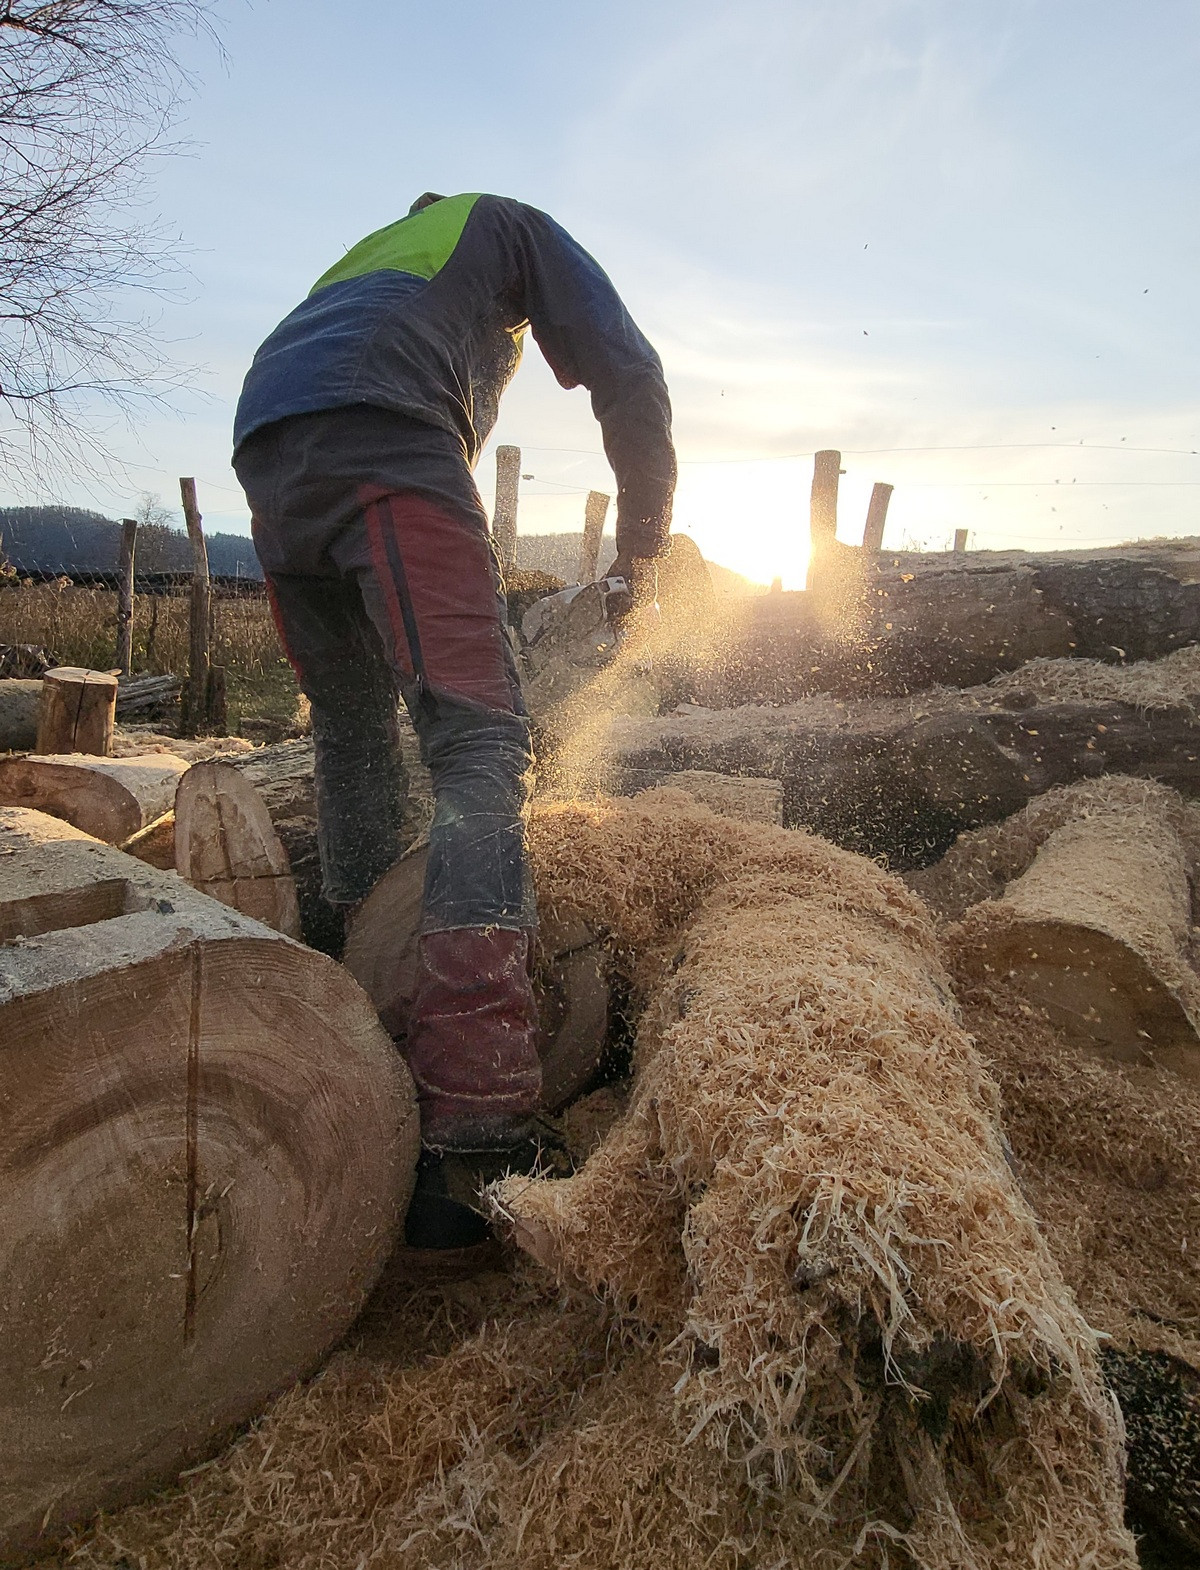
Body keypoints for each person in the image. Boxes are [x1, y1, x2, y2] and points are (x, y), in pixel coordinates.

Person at [232, 191, 677, 1246]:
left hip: (270, 449)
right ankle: (478, 1119)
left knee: (349, 729)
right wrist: (644, 544)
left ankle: (355, 1010)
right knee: (480, 741)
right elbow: (625, 365)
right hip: (384, 428)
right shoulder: (507, 226)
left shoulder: (376, 248)